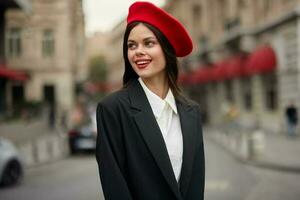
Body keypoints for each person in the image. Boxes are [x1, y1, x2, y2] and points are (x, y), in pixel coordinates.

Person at [95, 2, 205, 200]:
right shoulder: (112, 109)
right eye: (131, 45)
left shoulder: (191, 112)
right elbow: (115, 189)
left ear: (167, 48)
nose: (137, 51)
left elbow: (195, 186)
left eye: (148, 43)